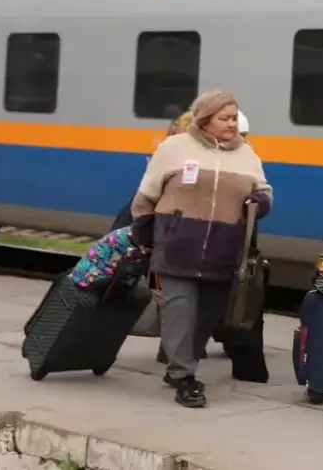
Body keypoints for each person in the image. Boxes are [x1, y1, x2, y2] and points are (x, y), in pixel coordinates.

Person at [131, 90, 273, 408]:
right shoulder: (174, 149)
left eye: (235, 117)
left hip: (223, 251)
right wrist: (146, 235)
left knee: (206, 317)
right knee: (179, 310)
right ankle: (183, 375)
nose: (232, 124)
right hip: (177, 247)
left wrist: (260, 201)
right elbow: (145, 196)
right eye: (225, 118)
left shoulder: (246, 154)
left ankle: (182, 364)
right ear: (205, 120)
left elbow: (264, 190)